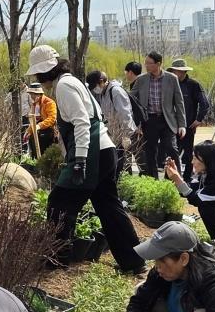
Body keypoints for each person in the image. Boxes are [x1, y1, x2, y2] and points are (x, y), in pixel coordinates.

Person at [26, 45, 144, 275]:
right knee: (109, 208)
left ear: (44, 72)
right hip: (104, 150)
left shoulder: (64, 86)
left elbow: (81, 122)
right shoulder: (73, 81)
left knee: (59, 204)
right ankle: (134, 260)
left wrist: (79, 161)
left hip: (91, 154)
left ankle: (56, 260)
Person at [128, 51, 186, 179]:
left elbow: (179, 102)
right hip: (149, 120)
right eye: (146, 63)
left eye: (149, 63)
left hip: (167, 120)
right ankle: (151, 180)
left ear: (158, 64)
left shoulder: (172, 78)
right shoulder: (141, 79)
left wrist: (182, 125)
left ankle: (177, 180)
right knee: (150, 151)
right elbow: (131, 97)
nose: (146, 66)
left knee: (171, 148)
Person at [163, 142, 215, 241]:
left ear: (206, 160)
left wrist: (177, 179)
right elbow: (188, 190)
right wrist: (174, 175)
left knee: (207, 208)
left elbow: (195, 199)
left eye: (195, 158)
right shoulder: (207, 173)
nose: (192, 162)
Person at [167, 58, 210, 181]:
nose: (174, 73)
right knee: (171, 153)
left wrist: (198, 119)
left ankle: (187, 178)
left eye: (176, 71)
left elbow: (204, 103)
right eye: (173, 71)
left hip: (188, 126)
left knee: (187, 154)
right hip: (171, 126)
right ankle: (171, 177)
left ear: (183, 72)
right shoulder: (169, 84)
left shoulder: (193, 85)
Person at [86, 71, 136, 173]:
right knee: (119, 166)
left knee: (125, 166)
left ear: (101, 82)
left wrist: (127, 135)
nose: (94, 90)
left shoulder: (116, 92)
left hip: (125, 135)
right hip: (115, 136)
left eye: (95, 86)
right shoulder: (103, 94)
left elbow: (125, 114)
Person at [23, 82, 57, 158]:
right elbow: (33, 120)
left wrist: (39, 126)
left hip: (48, 132)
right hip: (37, 132)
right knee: (34, 150)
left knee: (45, 153)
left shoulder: (49, 103)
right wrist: (29, 130)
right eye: (31, 94)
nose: (32, 96)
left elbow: (52, 119)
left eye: (34, 94)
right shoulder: (34, 104)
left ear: (39, 93)